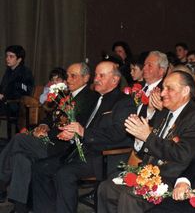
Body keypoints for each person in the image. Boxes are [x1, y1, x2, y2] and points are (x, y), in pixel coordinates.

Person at [97, 70, 195, 213]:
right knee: (106, 188)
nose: (163, 93)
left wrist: (147, 137)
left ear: (185, 91)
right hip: (148, 174)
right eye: (163, 88)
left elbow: (183, 153)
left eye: (169, 89)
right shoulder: (164, 112)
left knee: (131, 197)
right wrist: (140, 139)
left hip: (173, 179)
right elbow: (146, 150)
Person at [31, 61, 135, 213]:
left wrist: (83, 133)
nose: (96, 79)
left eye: (101, 76)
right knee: (40, 168)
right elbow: (84, 127)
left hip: (104, 156)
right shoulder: (97, 99)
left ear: (115, 80)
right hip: (81, 151)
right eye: (96, 75)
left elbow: (118, 133)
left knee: (64, 174)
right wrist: (73, 134)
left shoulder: (124, 102)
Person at [0, 62, 98, 212]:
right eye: (67, 76)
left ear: (86, 78)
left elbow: (81, 125)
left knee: (19, 139)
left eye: (73, 76)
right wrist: (44, 126)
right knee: (21, 158)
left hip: (62, 147)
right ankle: (20, 207)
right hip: (49, 140)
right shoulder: (66, 96)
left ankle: (1, 181)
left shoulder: (91, 98)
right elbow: (51, 117)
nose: (68, 80)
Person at [0, 45, 34, 118]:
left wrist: (5, 96)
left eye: (11, 56)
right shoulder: (8, 71)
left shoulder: (25, 72)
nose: (7, 59)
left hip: (17, 106)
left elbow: (26, 91)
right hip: (5, 103)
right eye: (7, 56)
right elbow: (3, 87)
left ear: (19, 59)